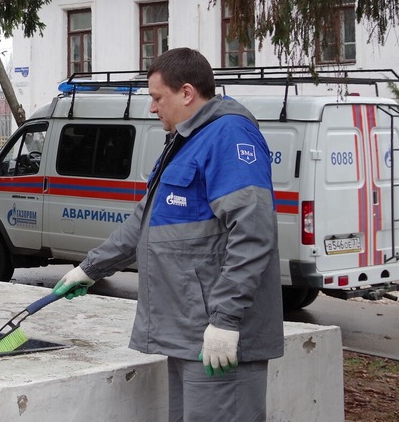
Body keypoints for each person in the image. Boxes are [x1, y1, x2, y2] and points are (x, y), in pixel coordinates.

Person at [53, 47, 283, 422]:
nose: (152, 107)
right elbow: (143, 226)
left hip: (218, 338)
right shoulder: (184, 143)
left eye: (158, 98)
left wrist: (225, 321)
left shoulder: (228, 136)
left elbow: (253, 234)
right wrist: (89, 269)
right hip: (189, 334)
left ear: (187, 93)